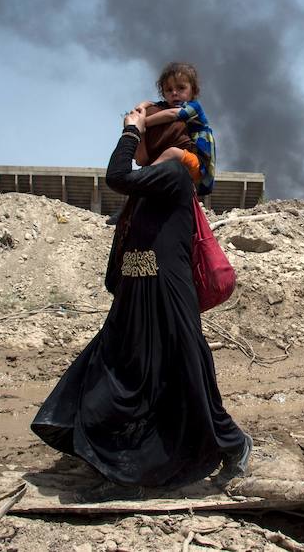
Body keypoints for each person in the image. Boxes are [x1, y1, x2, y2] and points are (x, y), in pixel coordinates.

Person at [31, 106, 251, 488]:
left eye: (142, 140)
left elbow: (116, 176)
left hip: (166, 293)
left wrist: (131, 131)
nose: (135, 148)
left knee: (184, 371)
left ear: (157, 139)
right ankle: (110, 450)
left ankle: (232, 443)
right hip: (137, 294)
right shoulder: (152, 181)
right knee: (115, 367)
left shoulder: (173, 174)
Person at [134, 62, 216, 196]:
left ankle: (144, 175)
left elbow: (172, 115)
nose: (174, 93)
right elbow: (144, 106)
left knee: (172, 152)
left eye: (181, 88)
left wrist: (143, 122)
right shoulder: (164, 105)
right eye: (169, 90)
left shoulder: (194, 107)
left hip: (198, 162)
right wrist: (142, 107)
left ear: (193, 91)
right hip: (180, 166)